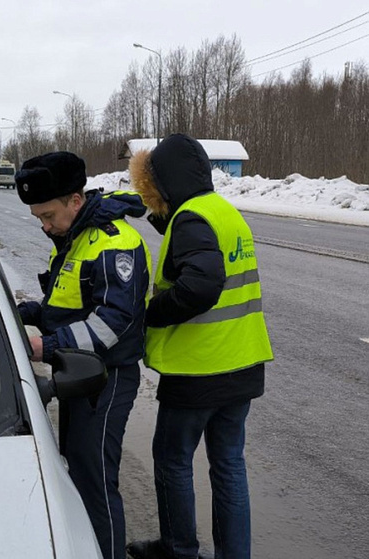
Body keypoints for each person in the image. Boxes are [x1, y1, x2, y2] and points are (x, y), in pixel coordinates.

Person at [125, 134, 273, 559]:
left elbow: (201, 285)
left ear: (163, 182)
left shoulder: (190, 220)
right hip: (242, 364)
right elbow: (205, 252)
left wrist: (152, 312)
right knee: (228, 467)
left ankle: (178, 549)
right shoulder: (223, 212)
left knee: (172, 460)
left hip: (198, 371)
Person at [14, 151, 151, 559]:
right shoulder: (73, 237)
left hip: (106, 380)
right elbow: (62, 307)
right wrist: (10, 311)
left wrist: (44, 345)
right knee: (75, 467)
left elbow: (114, 320)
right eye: (38, 218)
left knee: (95, 480)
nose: (45, 225)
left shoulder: (113, 242)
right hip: (77, 375)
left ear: (76, 200)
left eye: (49, 215)